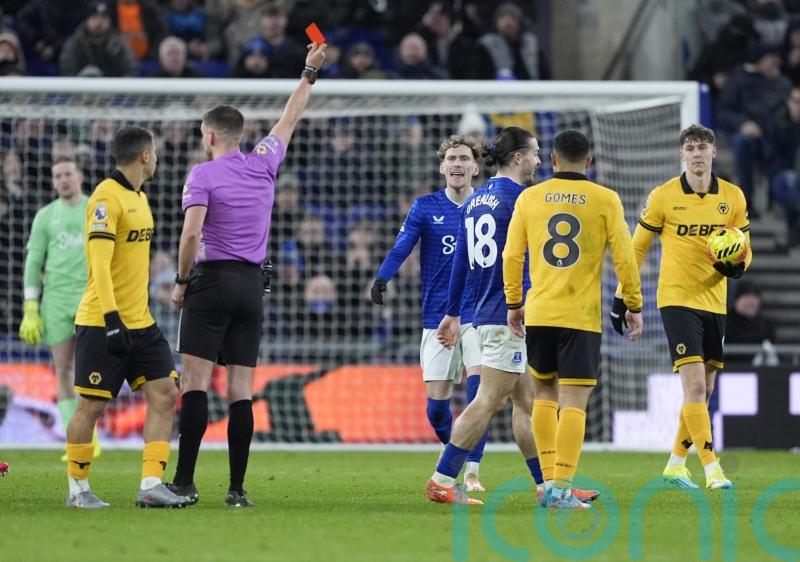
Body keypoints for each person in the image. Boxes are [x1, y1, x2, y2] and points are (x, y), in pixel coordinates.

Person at [166, 42, 327, 508]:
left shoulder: (202, 175)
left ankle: (184, 482)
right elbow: (290, 116)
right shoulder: (264, 163)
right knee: (241, 391)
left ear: (211, 135)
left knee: (195, 383)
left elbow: (191, 235)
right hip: (253, 287)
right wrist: (309, 72)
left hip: (212, 283)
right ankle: (237, 490)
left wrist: (180, 282)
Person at [504, 129, 643, 510]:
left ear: (552, 160)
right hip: (580, 317)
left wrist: (514, 302)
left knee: (543, 397)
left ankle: (550, 483)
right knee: (575, 404)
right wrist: (633, 303)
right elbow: (625, 257)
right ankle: (562, 489)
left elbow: (512, 255)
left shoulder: (530, 197)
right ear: (590, 162)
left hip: (540, 312)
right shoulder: (605, 199)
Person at [609, 124, 751, 490]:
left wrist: (736, 265)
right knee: (694, 388)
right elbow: (636, 248)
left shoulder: (733, 197)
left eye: (703, 147)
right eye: (690, 147)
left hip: (715, 302)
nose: (697, 153)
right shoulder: (663, 196)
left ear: (714, 153)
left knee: (704, 389)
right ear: (681, 155)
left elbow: (744, 250)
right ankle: (712, 468)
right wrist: (625, 296)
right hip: (676, 300)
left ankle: (675, 463)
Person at [66, 126, 187, 509]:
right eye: (155, 152)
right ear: (145, 156)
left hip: (142, 321)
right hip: (103, 320)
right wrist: (112, 317)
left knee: (165, 393)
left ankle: (151, 484)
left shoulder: (139, 197)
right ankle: (78, 490)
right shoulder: (105, 197)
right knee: (91, 406)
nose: (157, 158)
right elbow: (98, 265)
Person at [427, 126, 546, 505]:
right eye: (535, 153)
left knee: (527, 402)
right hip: (509, 313)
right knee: (488, 401)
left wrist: (453, 312)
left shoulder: (476, 201)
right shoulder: (521, 199)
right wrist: (521, 303)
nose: (538, 160)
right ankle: (442, 480)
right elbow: (528, 258)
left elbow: (461, 259)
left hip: (483, 312)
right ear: (518, 158)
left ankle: (548, 487)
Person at [372, 134, 488, 492]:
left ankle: (471, 471)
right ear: (442, 167)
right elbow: (402, 245)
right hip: (436, 316)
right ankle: (450, 445)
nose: (457, 164)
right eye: (451, 158)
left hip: (479, 312)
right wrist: (382, 277)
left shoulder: (487, 208)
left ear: (475, 167)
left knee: (478, 394)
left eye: (464, 158)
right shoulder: (424, 207)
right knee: (437, 410)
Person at [19, 156, 101, 461]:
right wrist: (30, 305)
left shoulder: (95, 208)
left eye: (67, 173)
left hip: (90, 300)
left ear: (79, 175)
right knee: (63, 370)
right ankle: (75, 438)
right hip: (55, 302)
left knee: (87, 371)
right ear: (53, 182)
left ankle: (88, 431)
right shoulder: (45, 216)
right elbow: (33, 262)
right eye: (57, 176)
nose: (63, 180)